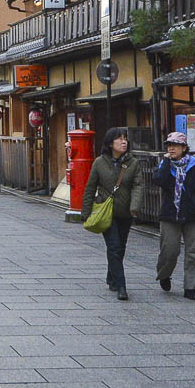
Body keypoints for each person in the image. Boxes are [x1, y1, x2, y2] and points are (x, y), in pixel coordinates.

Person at [81, 127, 145, 301]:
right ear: (110, 144)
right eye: (119, 139)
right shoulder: (99, 163)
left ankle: (111, 276)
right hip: (106, 212)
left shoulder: (133, 163)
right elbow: (90, 187)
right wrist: (85, 211)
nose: (124, 142)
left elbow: (138, 185)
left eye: (125, 139)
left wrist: (134, 206)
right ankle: (121, 285)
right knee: (114, 246)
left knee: (120, 247)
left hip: (125, 212)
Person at [152, 131, 195, 300]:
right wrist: (166, 162)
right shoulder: (165, 164)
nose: (172, 148)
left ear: (184, 147)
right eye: (169, 145)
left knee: (194, 251)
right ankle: (164, 274)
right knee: (169, 250)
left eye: (175, 145)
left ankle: (191, 287)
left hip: (192, 215)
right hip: (170, 214)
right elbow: (159, 181)